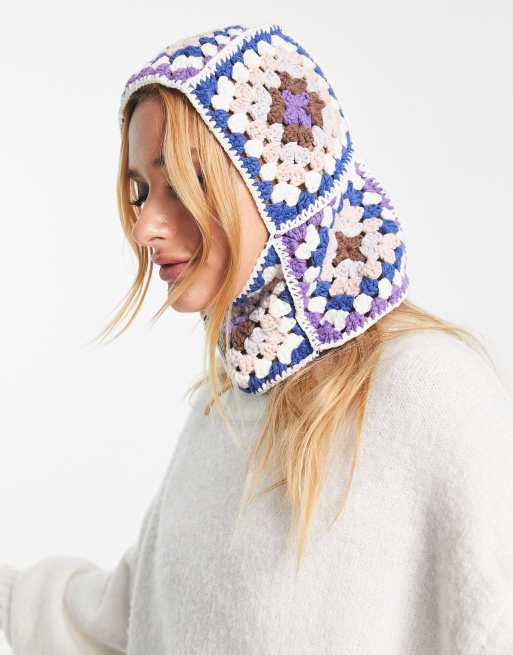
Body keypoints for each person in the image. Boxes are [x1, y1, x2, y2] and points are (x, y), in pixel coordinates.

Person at [1, 21, 512, 655]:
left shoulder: (430, 390)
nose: (145, 227)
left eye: (180, 183)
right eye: (141, 191)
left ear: (281, 185)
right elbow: (130, 620)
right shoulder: (225, 405)